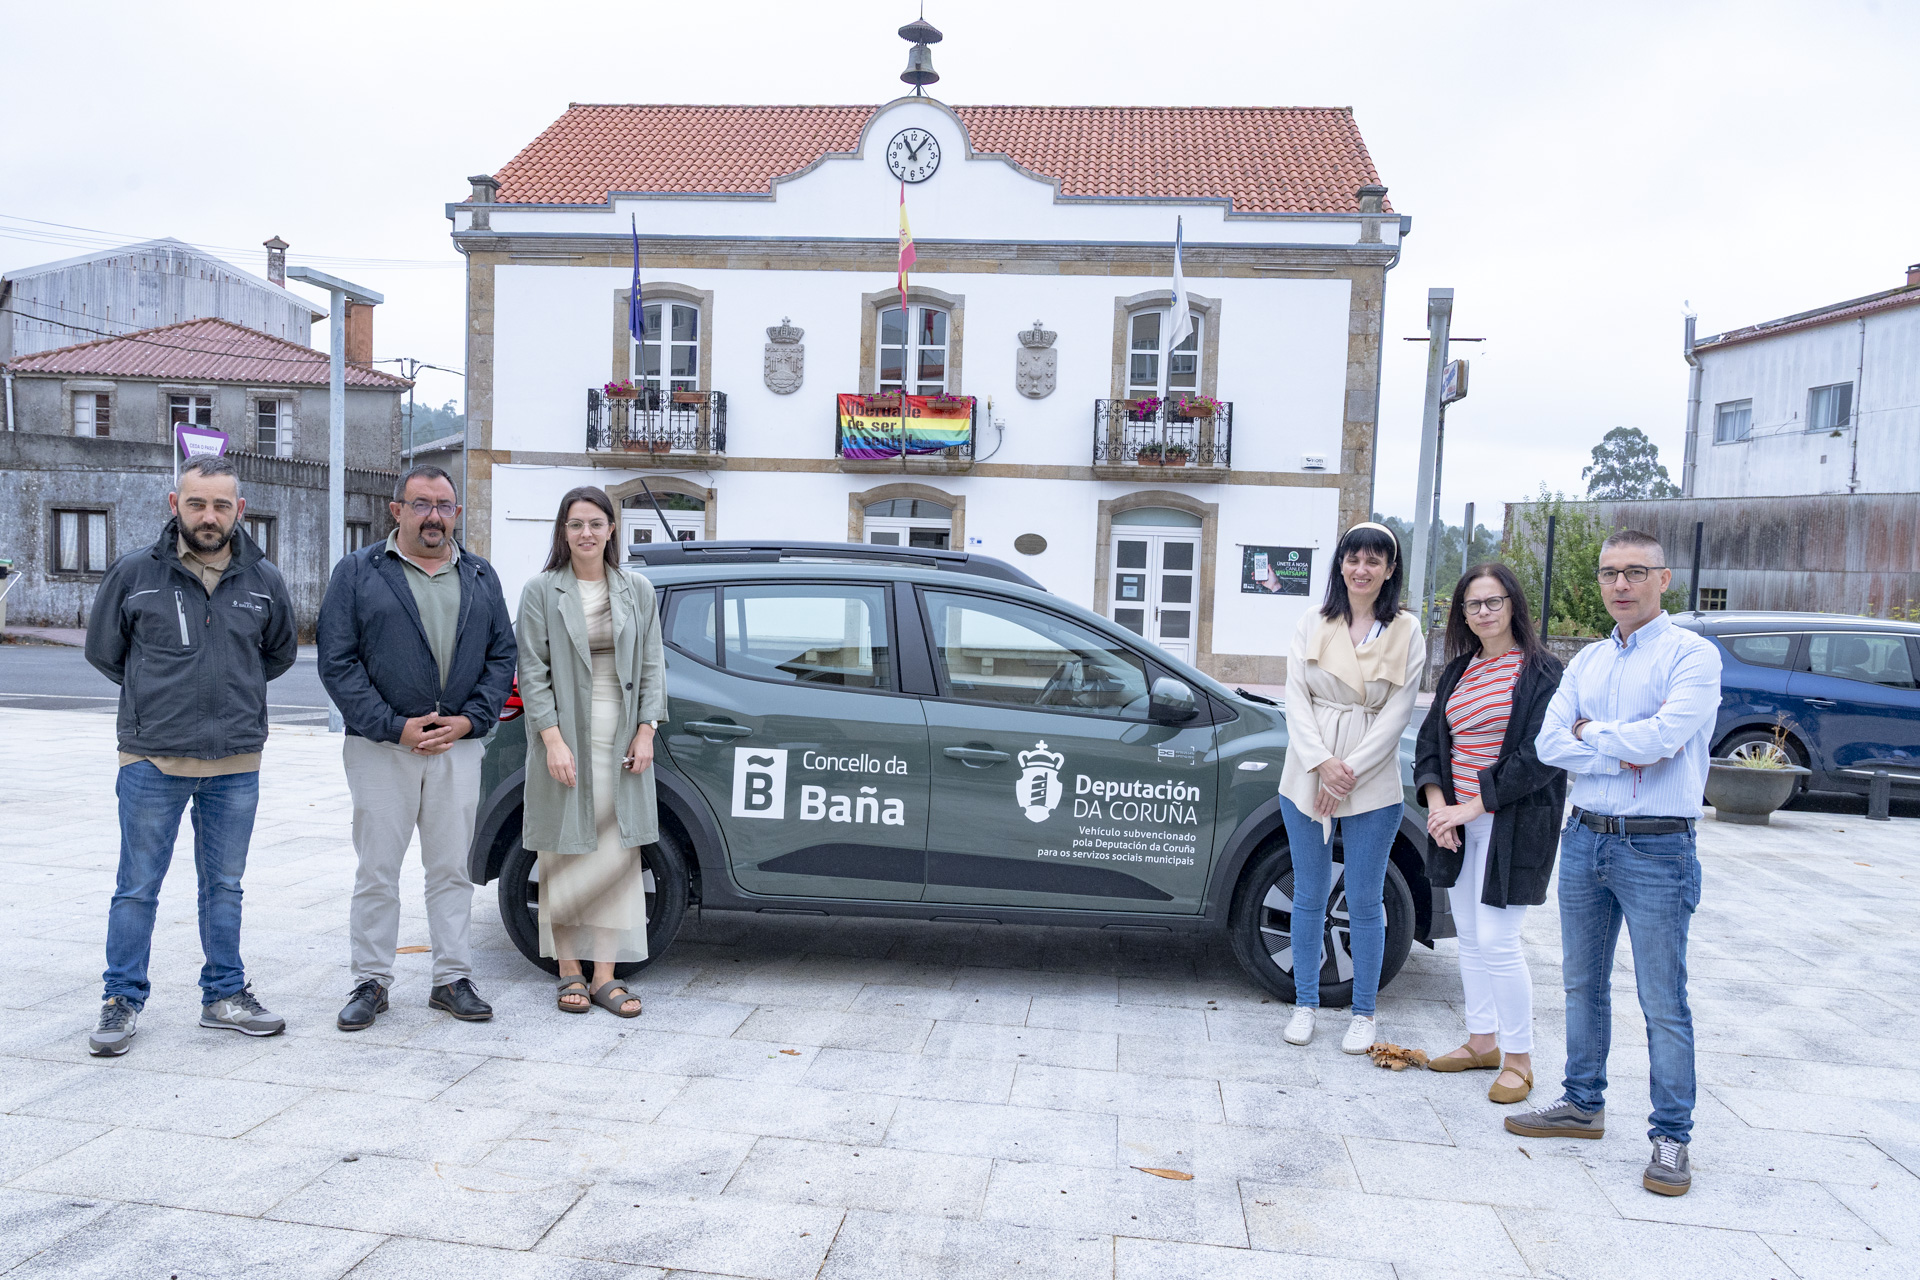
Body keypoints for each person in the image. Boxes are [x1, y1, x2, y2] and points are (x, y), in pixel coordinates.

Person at [1509, 529, 1722, 1199]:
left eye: (1634, 572)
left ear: (1663, 580)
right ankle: (1582, 1103)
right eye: (1609, 573)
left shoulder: (1692, 656)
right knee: (1581, 983)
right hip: (1584, 838)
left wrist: (1591, 734)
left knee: (1662, 999)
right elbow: (1549, 744)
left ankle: (1672, 1136)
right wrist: (1619, 749)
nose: (1620, 585)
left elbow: (1662, 741)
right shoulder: (1588, 661)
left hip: (1658, 847)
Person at [82, 455, 297, 1056]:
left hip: (235, 763)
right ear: (175, 504)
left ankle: (224, 995)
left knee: (224, 886)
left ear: (239, 510)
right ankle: (121, 999)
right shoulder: (135, 573)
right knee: (136, 887)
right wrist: (158, 700)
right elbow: (105, 651)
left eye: (221, 505)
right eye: (197, 503)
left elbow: (277, 654)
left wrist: (228, 693)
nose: (209, 516)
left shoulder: (263, 579)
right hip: (151, 760)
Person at [317, 464, 516, 1031]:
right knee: (378, 869)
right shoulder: (358, 572)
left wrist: (471, 720)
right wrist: (392, 725)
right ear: (397, 510)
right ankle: (371, 980)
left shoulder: (480, 575)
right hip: (382, 748)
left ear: (457, 513)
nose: (434, 516)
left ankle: (452, 978)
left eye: (444, 506)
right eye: (421, 504)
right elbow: (337, 660)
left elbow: (502, 655)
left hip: (457, 748)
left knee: (451, 868)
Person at [1415, 563, 1566, 1104]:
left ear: (1513, 604)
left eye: (1493, 601)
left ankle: (1519, 1059)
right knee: (1471, 938)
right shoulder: (1459, 669)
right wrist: (1440, 808)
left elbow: (1539, 756)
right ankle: (1482, 1041)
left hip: (1513, 824)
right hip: (1458, 824)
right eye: (1473, 604)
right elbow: (1432, 741)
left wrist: (1470, 808)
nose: (1483, 612)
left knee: (1500, 941)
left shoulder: (1542, 671)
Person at [514, 487, 667, 1017]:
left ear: (611, 530)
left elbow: (653, 665)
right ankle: (569, 971)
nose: (586, 533)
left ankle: (605, 974)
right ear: (563, 530)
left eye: (596, 523)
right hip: (565, 741)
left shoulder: (636, 589)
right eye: (576, 524)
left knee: (615, 859)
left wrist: (646, 731)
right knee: (563, 853)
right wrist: (552, 740)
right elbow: (532, 672)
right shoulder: (541, 591)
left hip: (620, 743)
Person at [1276, 521, 1425, 1054]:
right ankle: (1305, 1002)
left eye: (1374, 561)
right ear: (1340, 564)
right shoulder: (1312, 621)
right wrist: (1322, 763)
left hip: (1371, 778)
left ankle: (1364, 1012)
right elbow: (1296, 698)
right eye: (1353, 559)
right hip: (1307, 772)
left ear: (1389, 570)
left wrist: (1347, 772)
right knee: (1309, 893)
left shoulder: (1406, 630)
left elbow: (1397, 713)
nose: (1362, 570)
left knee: (1364, 898)